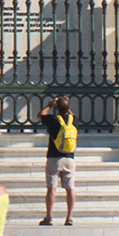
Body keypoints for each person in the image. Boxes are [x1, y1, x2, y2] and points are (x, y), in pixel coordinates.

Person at [37, 95, 77, 226]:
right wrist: (66, 104)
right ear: (68, 108)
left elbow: (40, 116)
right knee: (70, 189)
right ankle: (69, 217)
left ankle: (49, 217)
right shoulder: (73, 120)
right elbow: (70, 113)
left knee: (51, 189)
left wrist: (49, 105)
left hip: (54, 158)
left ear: (57, 108)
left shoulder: (54, 120)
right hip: (69, 158)